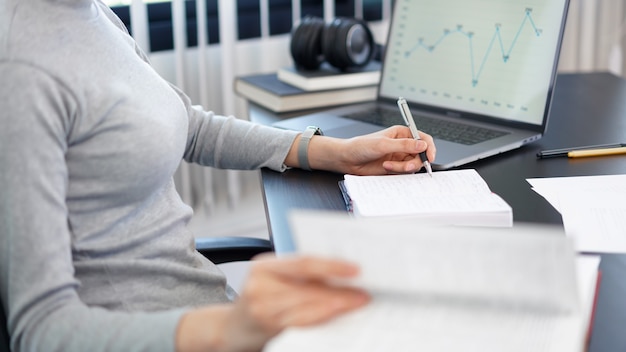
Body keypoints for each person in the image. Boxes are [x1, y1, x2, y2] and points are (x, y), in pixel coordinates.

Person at [0, 0, 436, 351]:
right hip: (172, 331)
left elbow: (185, 124)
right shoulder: (20, 69)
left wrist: (333, 152)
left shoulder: (92, 13)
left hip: (209, 308)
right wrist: (228, 329)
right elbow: (41, 329)